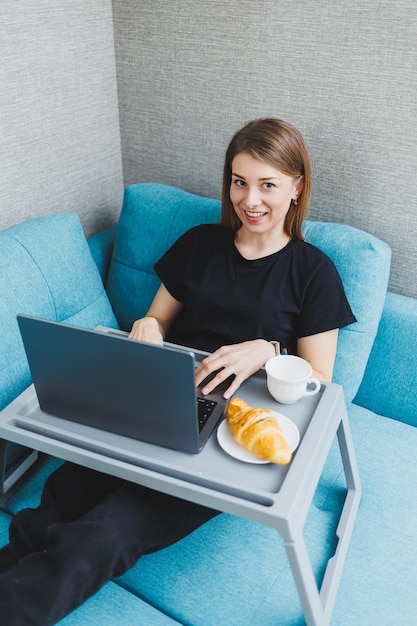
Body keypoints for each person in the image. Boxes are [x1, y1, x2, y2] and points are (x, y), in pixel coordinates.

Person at [0, 118, 356, 625]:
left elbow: (321, 379)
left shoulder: (313, 272)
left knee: (106, 535)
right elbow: (157, 318)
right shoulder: (200, 244)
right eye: (239, 181)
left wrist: (269, 350)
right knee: (57, 501)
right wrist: (145, 327)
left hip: (230, 431)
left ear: (297, 188)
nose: (250, 199)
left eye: (268, 184)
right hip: (161, 396)